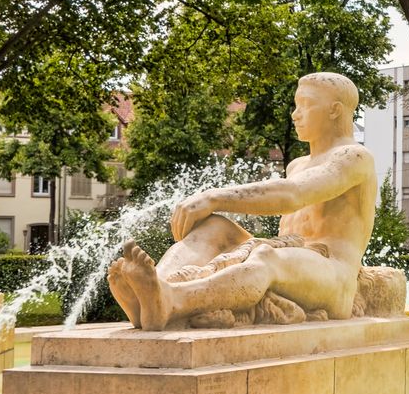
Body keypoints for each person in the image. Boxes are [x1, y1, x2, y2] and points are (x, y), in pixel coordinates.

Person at [106, 73, 379, 330]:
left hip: (333, 277)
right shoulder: (297, 165)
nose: (295, 114)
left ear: (334, 110)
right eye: (296, 105)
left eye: (305, 105)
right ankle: (152, 292)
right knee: (214, 227)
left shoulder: (354, 157)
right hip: (290, 261)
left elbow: (292, 195)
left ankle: (173, 300)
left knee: (266, 256)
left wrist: (213, 197)